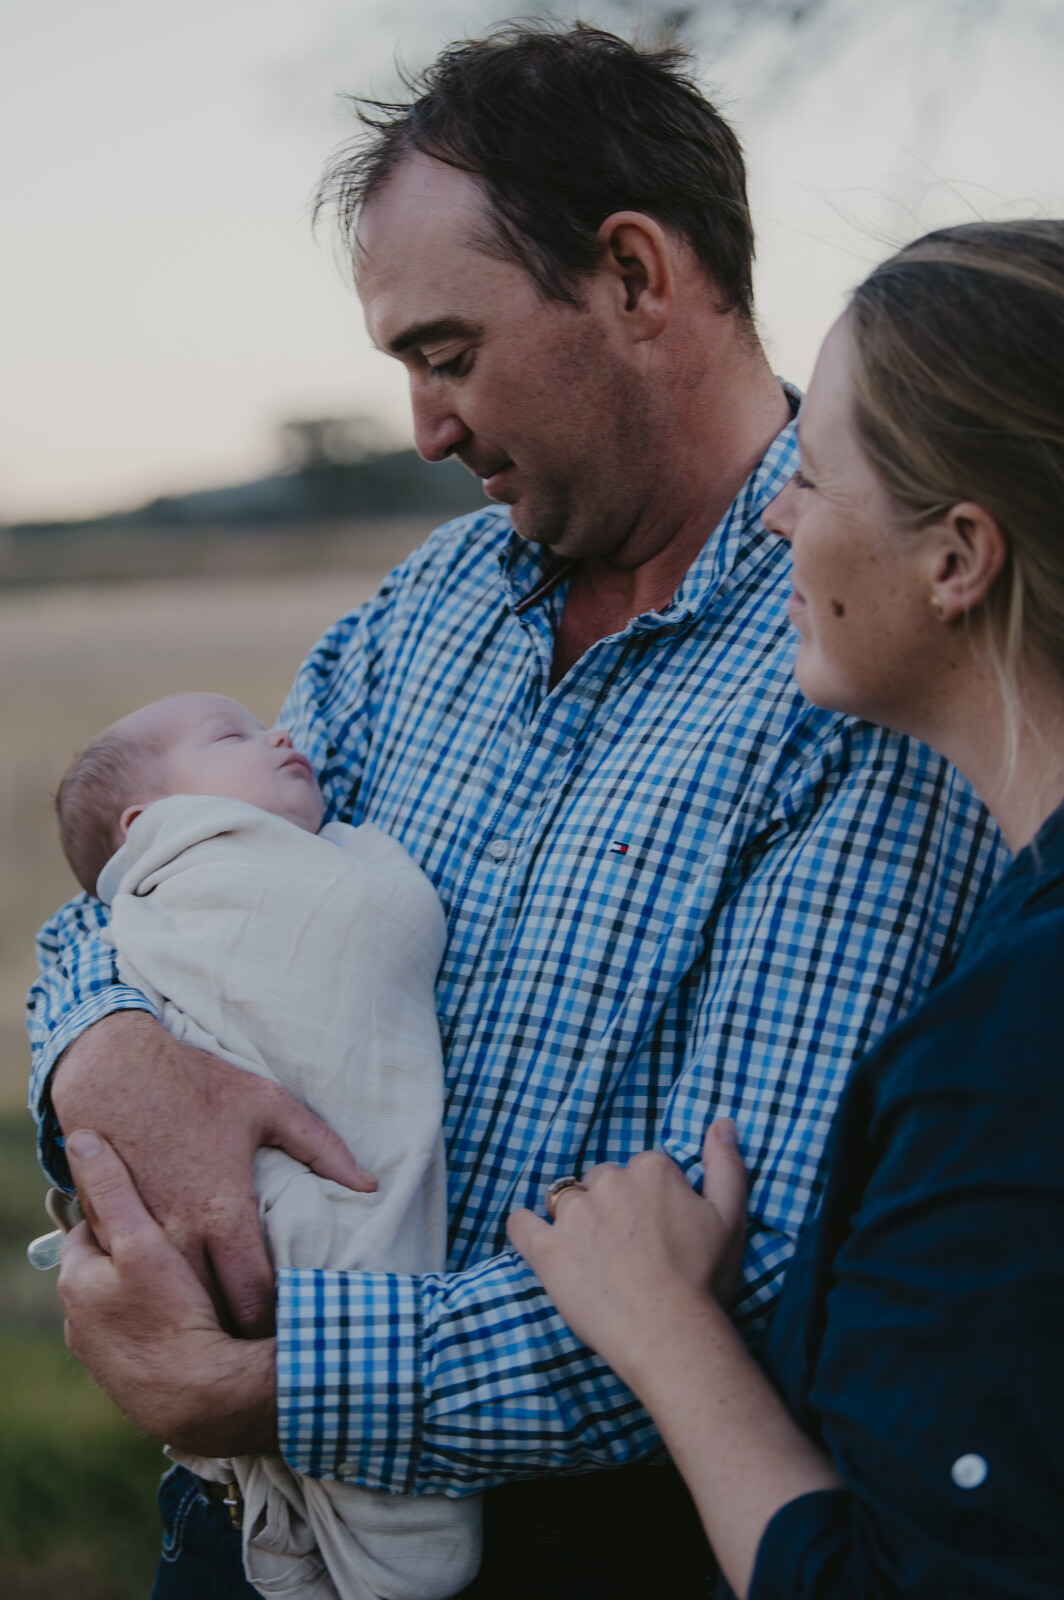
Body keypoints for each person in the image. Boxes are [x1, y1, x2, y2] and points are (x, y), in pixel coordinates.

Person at [36, 24, 1001, 1600]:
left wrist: (268, 1376)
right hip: (241, 1528)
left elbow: (741, 1266)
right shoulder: (424, 610)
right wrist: (101, 1043)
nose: (425, 428)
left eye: (447, 353)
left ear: (634, 277)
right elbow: (168, 879)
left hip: (580, 1547)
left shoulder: (860, 658)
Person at [507, 219, 1064, 1599]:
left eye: (811, 476)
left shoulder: (1015, 1049)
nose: (775, 518)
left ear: (958, 558)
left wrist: (662, 1327)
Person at [56, 691, 481, 1600]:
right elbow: (80, 940)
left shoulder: (305, 852)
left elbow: (372, 925)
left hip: (540, 1473)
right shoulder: (178, 887)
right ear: (149, 824)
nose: (283, 733)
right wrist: (106, 1047)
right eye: (232, 736)